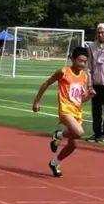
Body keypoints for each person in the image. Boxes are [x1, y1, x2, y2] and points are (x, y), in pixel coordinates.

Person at [32, 46, 93, 177]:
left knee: (73, 145)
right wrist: (37, 101)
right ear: (72, 59)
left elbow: (81, 99)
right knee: (79, 132)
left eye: (84, 62)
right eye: (79, 61)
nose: (82, 64)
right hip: (65, 110)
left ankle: (54, 163)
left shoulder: (84, 76)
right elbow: (46, 83)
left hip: (77, 111)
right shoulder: (63, 72)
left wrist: (90, 95)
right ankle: (58, 135)